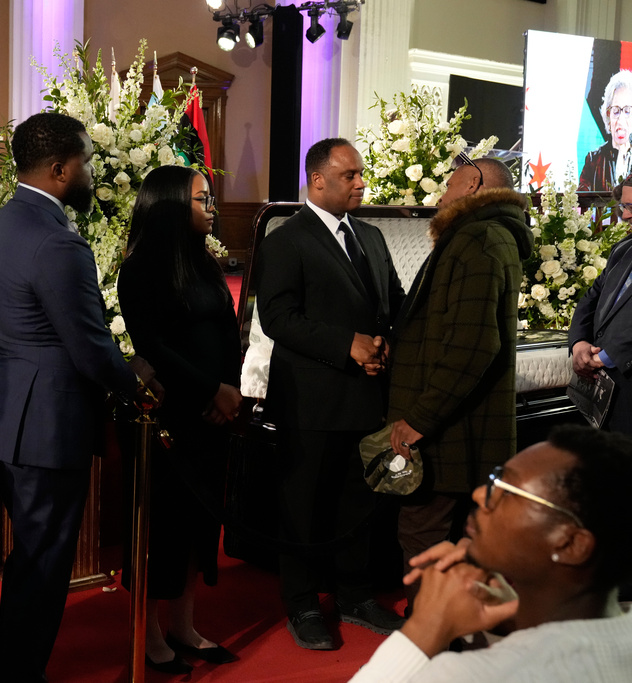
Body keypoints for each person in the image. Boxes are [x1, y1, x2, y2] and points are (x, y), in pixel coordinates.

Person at [0, 112, 161, 683]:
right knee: (43, 565)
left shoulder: (7, 218)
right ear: (59, 169)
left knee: (32, 559)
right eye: (87, 161)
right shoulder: (57, 239)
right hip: (44, 428)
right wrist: (139, 381)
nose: (92, 172)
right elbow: (89, 348)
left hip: (6, 418)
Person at [256, 137, 406, 650]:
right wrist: (349, 345)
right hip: (310, 400)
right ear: (317, 180)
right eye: (350, 175)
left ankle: (355, 596)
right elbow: (277, 318)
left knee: (358, 502)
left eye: (361, 173)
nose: (361, 182)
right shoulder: (286, 238)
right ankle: (301, 605)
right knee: (302, 505)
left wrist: (386, 345)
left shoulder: (372, 236)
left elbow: (394, 305)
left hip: (367, 398)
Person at [349, 424, 632, 682]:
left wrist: (423, 630)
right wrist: (520, 620)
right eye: (496, 478)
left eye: (507, 490)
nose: (479, 495)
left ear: (572, 544)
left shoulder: (470, 673)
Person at [116, 166, 242, 674]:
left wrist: (228, 390)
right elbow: (155, 347)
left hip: (214, 415)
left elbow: (227, 332)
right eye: (201, 199)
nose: (212, 207)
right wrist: (212, 389)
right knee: (162, 533)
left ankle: (184, 624)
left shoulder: (204, 261)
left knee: (198, 530)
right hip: (168, 420)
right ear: (169, 204)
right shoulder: (143, 266)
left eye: (211, 198)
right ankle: (147, 635)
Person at [387, 155, 534, 578]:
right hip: (466, 425)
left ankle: (428, 635)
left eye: (450, 185)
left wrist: (419, 418)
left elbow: (472, 346)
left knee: (422, 535)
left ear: (472, 184)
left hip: (449, 431)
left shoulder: (478, 238)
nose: (442, 195)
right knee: (462, 538)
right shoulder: (490, 235)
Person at [569, 174, 632, 434]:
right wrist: (579, 344)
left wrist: (602, 357)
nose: (626, 215)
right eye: (625, 206)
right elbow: (590, 300)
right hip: (605, 392)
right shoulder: (622, 249)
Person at [580, 70, 632, 191]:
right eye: (616, 111)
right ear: (608, 116)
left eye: (627, 111)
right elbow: (581, 203)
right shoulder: (593, 160)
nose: (621, 119)